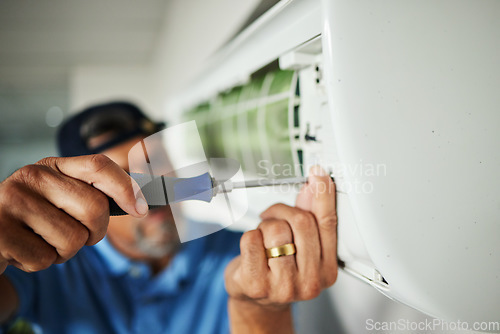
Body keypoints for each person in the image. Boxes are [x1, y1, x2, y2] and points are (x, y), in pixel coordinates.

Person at [0, 102, 338, 333]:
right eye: (118, 173)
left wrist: (261, 308)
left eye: (156, 158)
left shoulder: (239, 252)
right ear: (79, 196)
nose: (151, 182)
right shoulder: (47, 265)